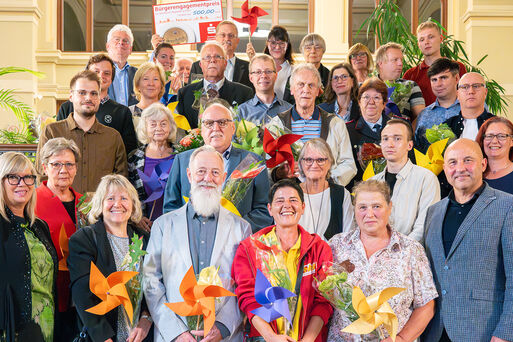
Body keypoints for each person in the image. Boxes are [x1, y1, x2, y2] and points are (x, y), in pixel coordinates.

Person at [144, 145, 251, 342]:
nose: (208, 178)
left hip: (224, 337)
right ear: (189, 175)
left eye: (215, 172)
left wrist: (222, 327)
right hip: (173, 336)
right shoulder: (162, 225)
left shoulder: (242, 228)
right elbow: (151, 282)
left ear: (224, 176)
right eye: (201, 171)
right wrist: (176, 332)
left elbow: (245, 284)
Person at [422, 138, 513, 342]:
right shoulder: (433, 212)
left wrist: (505, 334)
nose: (460, 168)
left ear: (483, 164)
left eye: (468, 160)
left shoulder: (508, 206)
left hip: (484, 332)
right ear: (445, 168)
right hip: (435, 332)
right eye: (453, 162)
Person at [328, 179, 437, 341]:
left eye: (376, 206)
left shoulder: (411, 250)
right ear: (355, 210)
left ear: (389, 207)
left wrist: (400, 339)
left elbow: (426, 305)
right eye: (362, 207)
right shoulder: (336, 245)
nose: (369, 214)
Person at [232, 179, 334, 342]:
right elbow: (247, 298)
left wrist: (307, 340)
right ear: (270, 209)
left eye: (293, 200)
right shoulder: (250, 248)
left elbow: (324, 301)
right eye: (280, 201)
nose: (287, 205)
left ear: (303, 208)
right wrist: (271, 337)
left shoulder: (320, 248)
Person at [68, 175, 153, 342]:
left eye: (124, 198)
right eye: (110, 198)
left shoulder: (145, 238)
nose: (117, 204)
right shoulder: (83, 239)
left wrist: (146, 319)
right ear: (100, 204)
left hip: (140, 337)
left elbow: (155, 284)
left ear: (133, 204)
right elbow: (82, 294)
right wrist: (104, 337)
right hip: (101, 336)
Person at [164, 100, 272, 231]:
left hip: (238, 243)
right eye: (209, 123)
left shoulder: (252, 161)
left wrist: (235, 228)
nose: (216, 128)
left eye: (222, 122)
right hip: (190, 240)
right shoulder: (182, 160)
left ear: (233, 128)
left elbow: (263, 211)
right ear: (201, 130)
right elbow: (170, 207)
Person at [36, 70, 128, 193]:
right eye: (82, 93)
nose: (88, 98)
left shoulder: (113, 137)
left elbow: (121, 181)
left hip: (100, 210)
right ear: (71, 96)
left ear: (100, 98)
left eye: (94, 93)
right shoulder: (52, 132)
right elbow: (41, 175)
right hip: (59, 208)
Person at [0, 152, 58, 341]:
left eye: (28, 177)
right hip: (11, 329)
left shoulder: (39, 226)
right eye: (13, 177)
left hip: (45, 327)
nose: (22, 183)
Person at [269, 63, 357, 186]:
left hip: (326, 194)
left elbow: (348, 164)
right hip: (289, 196)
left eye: (311, 85)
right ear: (292, 89)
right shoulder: (277, 124)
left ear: (318, 91)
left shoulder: (336, 124)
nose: (306, 90)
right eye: (301, 85)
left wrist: (326, 182)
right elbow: (267, 166)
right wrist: (279, 173)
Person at [35, 137, 82, 341]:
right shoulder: (32, 200)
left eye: (69, 164)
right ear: (45, 167)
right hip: (47, 293)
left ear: (76, 168)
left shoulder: (86, 202)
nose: (64, 170)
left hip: (83, 291)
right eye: (56, 164)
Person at [370, 119, 440, 241]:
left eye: (397, 139)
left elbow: (423, 227)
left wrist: (398, 253)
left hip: (410, 254)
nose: (390, 144)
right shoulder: (371, 183)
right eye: (385, 139)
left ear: (409, 145)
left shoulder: (426, 179)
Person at [56, 53, 138, 155]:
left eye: (107, 73)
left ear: (112, 78)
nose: (100, 76)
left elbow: (128, 151)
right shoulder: (67, 107)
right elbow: (57, 143)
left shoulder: (122, 112)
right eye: (96, 72)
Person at [176, 42, 253, 129]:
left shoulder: (244, 93)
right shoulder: (184, 94)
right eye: (207, 57)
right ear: (201, 65)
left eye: (217, 57)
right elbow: (181, 130)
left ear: (225, 64)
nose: (212, 60)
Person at [128, 103, 177, 231]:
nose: (158, 128)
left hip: (175, 224)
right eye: (153, 124)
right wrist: (137, 217)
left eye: (163, 123)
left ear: (171, 126)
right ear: (145, 128)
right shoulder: (134, 158)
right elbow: (129, 193)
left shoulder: (181, 156)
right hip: (145, 226)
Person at [298, 138, 354, 240]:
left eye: (320, 160)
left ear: (330, 163)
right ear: (301, 163)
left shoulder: (341, 194)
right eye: (309, 160)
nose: (314, 165)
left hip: (332, 255)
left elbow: (348, 237)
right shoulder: (291, 194)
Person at [403, 21, 466, 106]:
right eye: (422, 39)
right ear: (418, 45)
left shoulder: (458, 67)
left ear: (440, 39)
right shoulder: (410, 75)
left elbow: (466, 98)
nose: (426, 42)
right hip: (421, 118)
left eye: (431, 37)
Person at [346, 77, 392, 186]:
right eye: (366, 97)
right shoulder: (347, 130)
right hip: (359, 189)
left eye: (376, 97)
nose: (371, 102)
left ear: (384, 103)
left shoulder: (397, 127)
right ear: (359, 102)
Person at [414, 58, 461, 153]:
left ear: (456, 78)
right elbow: (417, 149)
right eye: (434, 80)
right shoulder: (424, 115)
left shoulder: (470, 109)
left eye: (443, 78)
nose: (438, 84)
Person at [188, 20, 252, 88]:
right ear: (216, 38)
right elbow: (191, 93)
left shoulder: (248, 67)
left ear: (237, 40)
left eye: (231, 35)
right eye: (222, 35)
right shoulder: (197, 66)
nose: (227, 39)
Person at [375, 42, 425, 122]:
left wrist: (409, 130)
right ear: (381, 63)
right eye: (395, 60)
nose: (400, 64)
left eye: (401, 60)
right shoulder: (367, 87)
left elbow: (422, 116)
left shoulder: (411, 86)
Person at [238, 54, 292, 124]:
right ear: (251, 78)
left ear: (275, 76)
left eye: (268, 71)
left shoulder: (290, 110)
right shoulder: (241, 112)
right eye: (258, 72)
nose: (263, 76)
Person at [248, 25, 295, 102]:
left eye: (281, 43)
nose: (277, 47)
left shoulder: (294, 71)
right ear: (267, 43)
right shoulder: (256, 71)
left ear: (287, 45)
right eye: (273, 43)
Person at [443, 72, 493, 140]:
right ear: (458, 94)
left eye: (476, 86)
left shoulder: (498, 124)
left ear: (485, 92)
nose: (471, 91)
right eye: (465, 87)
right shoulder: (447, 127)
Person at [476, 116, 513, 194]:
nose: (494, 141)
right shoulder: (474, 174)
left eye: (501, 136)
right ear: (482, 141)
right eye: (489, 136)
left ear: (512, 141)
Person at [106, 24, 138, 106]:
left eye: (125, 41)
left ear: (130, 49)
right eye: (117, 39)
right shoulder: (97, 70)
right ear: (108, 46)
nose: (121, 43)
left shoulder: (138, 74)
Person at [129, 62, 166, 131]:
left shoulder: (169, 113)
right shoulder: (128, 113)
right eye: (146, 79)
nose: (151, 84)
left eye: (155, 79)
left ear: (161, 85)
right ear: (137, 85)